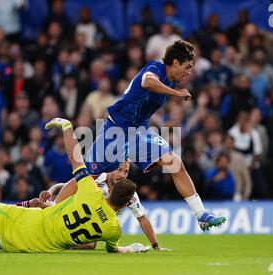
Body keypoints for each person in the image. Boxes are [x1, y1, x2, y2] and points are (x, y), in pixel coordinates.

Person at [0, 118, 150, 254]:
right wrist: (132, 249)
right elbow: (112, 249)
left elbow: (76, 158)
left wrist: (67, 127)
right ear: (126, 203)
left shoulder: (91, 192)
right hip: (39, 247)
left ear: (110, 189)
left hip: (29, 224)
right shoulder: (113, 229)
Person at [85, 40, 226, 231]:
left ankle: (201, 214)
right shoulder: (156, 68)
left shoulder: (170, 81)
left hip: (140, 133)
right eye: (187, 66)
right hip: (116, 130)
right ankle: (52, 207)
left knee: (175, 163)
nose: (189, 72)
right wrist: (176, 94)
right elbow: (147, 82)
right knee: (86, 179)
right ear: (175, 62)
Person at [22, 161, 166, 251]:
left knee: (90, 244)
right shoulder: (95, 178)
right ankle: (30, 210)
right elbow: (68, 185)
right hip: (74, 212)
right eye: (119, 169)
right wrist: (51, 191)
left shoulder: (127, 193)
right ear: (110, 168)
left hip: (102, 226)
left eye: (126, 171)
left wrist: (155, 246)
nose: (122, 175)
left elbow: (142, 218)